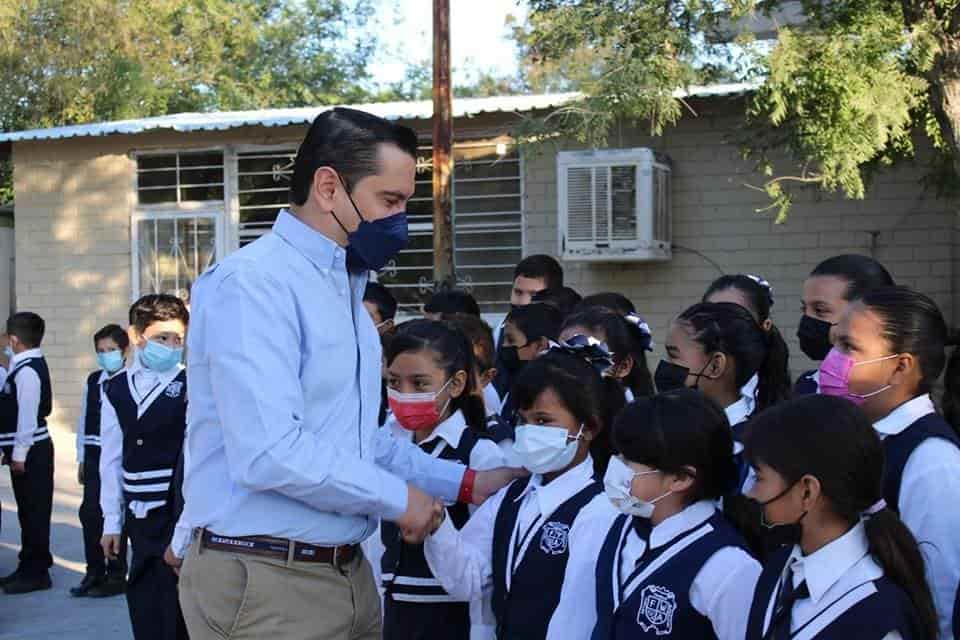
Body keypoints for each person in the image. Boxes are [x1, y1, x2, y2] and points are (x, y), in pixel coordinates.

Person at [174, 107, 520, 640]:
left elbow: (356, 440)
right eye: (390, 201)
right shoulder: (254, 285)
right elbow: (268, 453)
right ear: (329, 187)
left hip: (344, 572)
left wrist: (468, 482)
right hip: (267, 579)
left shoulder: (346, 295)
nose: (401, 220)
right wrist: (399, 499)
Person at [422, 344, 623, 640]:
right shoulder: (512, 496)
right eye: (523, 420)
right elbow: (469, 579)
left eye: (543, 421)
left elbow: (578, 617)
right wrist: (438, 526)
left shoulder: (601, 508)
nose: (529, 431)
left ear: (588, 428)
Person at [549, 388, 760, 640]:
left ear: (680, 478)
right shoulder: (618, 524)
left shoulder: (728, 567)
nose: (616, 466)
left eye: (629, 461)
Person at [823, 285, 960, 638]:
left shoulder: (932, 459)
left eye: (849, 347)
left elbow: (940, 595)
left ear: (901, 366)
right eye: (835, 343)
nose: (832, 359)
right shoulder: (859, 435)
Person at [744, 395, 937, 640]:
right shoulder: (781, 569)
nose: (751, 493)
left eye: (760, 479)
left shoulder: (876, 619)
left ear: (807, 491)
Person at [382, 320, 506, 640]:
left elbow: (480, 571)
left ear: (455, 384)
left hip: (449, 618)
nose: (403, 394)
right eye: (394, 382)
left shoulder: (481, 457)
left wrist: (437, 526)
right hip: (389, 610)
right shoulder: (383, 443)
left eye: (420, 384)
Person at [99, 294, 189, 639]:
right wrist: (111, 520)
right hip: (139, 517)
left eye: (177, 339)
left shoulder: (189, 385)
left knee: (178, 603)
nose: (170, 346)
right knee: (142, 594)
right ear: (136, 336)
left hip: (176, 511)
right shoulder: (115, 387)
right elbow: (110, 458)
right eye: (161, 338)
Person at [657, 302, 787, 461]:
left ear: (715, 366)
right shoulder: (677, 426)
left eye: (673, 355)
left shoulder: (745, 448)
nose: (665, 364)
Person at [72, 323, 130, 598]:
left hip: (120, 455)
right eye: (101, 351)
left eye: (112, 350)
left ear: (125, 351)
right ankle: (93, 571)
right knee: (90, 513)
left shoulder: (130, 379)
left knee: (116, 513)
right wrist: (82, 457)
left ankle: (116, 573)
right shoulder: (94, 381)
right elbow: (84, 419)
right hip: (95, 453)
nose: (106, 355)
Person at [0, 312, 54, 595]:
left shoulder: (28, 370)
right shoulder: (23, 365)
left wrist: (19, 454)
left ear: (14, 340)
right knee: (27, 511)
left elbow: (27, 419)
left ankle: (37, 572)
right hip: (27, 451)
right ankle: (29, 563)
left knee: (34, 512)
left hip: (32, 452)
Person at [796, 254, 894, 394]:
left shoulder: (886, 395)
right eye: (804, 308)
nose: (807, 319)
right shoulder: (807, 385)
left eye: (820, 310)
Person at [704, 274, 791, 412]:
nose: (720, 327)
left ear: (765, 326)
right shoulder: (689, 385)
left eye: (734, 318)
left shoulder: (780, 405)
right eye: (711, 316)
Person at [492, 255, 564, 397]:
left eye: (533, 294)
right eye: (518, 292)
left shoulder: (564, 337)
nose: (522, 301)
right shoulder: (499, 331)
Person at [560, 308, 655, 402]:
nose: (567, 368)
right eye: (560, 355)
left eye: (585, 358)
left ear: (624, 366)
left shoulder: (641, 416)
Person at [498, 303, 563, 426]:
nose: (504, 346)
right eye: (504, 340)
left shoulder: (552, 388)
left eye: (511, 340)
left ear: (540, 345)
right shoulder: (514, 383)